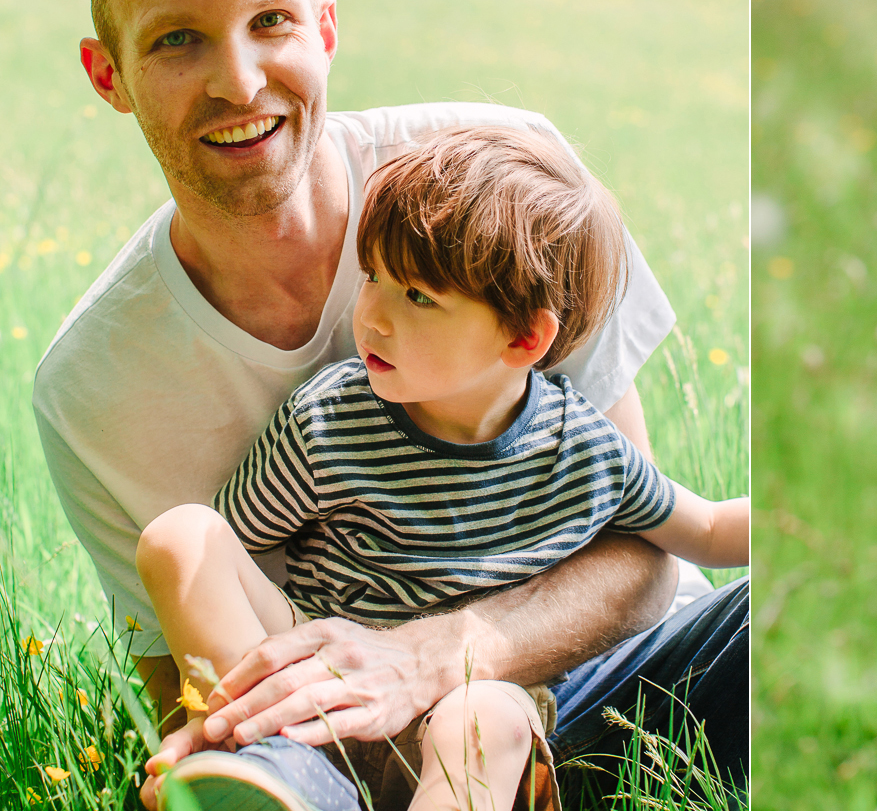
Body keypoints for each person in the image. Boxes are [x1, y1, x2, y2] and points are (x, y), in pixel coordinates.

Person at [33, 0, 746, 806]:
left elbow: (642, 554)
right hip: (342, 742)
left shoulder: (503, 187)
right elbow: (198, 685)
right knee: (254, 761)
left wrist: (441, 656)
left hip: (612, 682)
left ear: (325, 31)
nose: (239, 80)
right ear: (107, 75)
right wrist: (204, 741)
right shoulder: (95, 385)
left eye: (272, 22)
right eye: (176, 40)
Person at [133, 124, 749, 811]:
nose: (373, 317)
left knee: (484, 711)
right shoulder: (328, 420)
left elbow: (713, 528)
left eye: (418, 296)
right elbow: (233, 554)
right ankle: (250, 751)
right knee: (182, 537)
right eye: (373, 276)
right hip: (327, 698)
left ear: (524, 337)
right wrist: (222, 692)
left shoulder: (578, 447)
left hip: (471, 725)